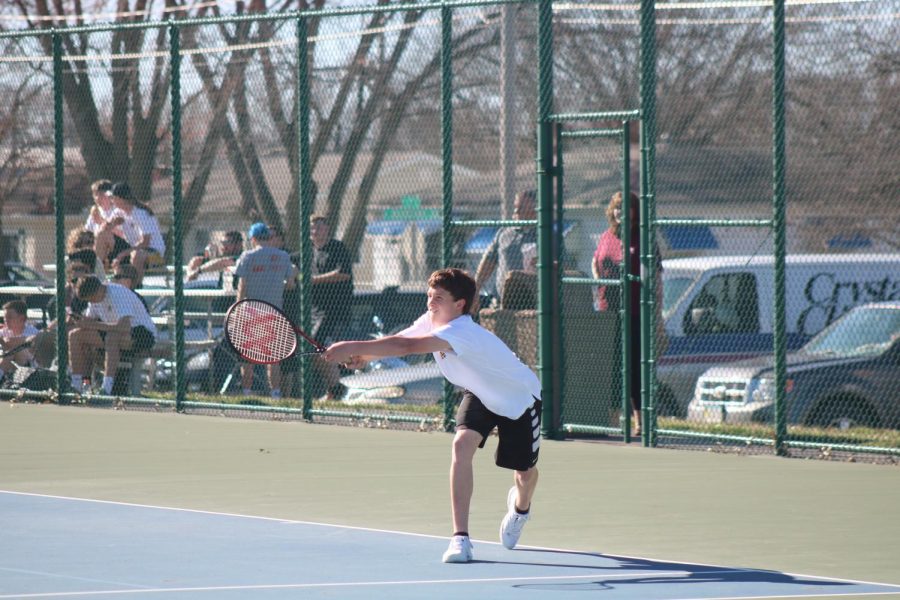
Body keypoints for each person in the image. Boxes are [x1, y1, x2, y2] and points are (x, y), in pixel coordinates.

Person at [323, 268, 541, 564]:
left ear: (460, 305)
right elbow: (401, 338)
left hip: (518, 399)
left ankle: (520, 509)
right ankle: (460, 539)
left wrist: (351, 347)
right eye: (429, 296)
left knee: (524, 475)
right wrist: (366, 357)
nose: (430, 302)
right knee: (461, 445)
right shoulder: (432, 319)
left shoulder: (460, 331)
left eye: (438, 298)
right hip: (479, 392)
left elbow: (407, 347)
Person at [591, 191, 666, 436]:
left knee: (635, 368)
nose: (621, 212)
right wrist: (598, 283)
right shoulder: (605, 237)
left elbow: (656, 278)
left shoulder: (644, 238)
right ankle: (612, 423)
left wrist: (657, 316)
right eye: (617, 208)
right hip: (608, 314)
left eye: (627, 208)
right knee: (611, 369)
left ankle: (640, 423)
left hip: (636, 313)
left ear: (636, 212)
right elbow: (595, 261)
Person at [233, 222, 296, 398]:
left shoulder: (247, 256)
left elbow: (242, 286)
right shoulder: (283, 256)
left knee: (248, 356)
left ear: (253, 239)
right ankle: (275, 393)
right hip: (274, 311)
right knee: (272, 357)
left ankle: (246, 392)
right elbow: (290, 284)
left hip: (251, 310)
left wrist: (237, 309)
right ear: (269, 237)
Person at [67, 275, 157, 395]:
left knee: (112, 336)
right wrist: (81, 323)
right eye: (89, 300)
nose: (92, 302)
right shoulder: (93, 300)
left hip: (142, 334)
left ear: (99, 289)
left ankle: (106, 388)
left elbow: (124, 326)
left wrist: (93, 325)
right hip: (113, 332)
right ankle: (79, 385)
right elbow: (90, 320)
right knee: (75, 335)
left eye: (93, 299)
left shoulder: (117, 294)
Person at [298, 215, 354, 401]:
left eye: (320, 228)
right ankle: (335, 388)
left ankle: (336, 389)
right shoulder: (308, 251)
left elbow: (343, 274)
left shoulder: (338, 248)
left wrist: (313, 280)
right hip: (313, 310)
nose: (316, 232)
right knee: (315, 349)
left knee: (315, 346)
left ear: (327, 229)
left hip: (334, 308)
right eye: (313, 228)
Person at [474, 190, 537, 308]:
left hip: (533, 304)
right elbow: (489, 260)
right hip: (502, 303)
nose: (516, 211)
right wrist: (476, 287)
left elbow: (564, 265)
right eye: (516, 207)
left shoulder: (548, 236)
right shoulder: (505, 233)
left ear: (535, 210)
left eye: (521, 208)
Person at [107, 181, 166, 286]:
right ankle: (98, 276)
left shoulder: (141, 213)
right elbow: (103, 230)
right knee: (103, 235)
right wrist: (111, 225)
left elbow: (145, 242)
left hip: (154, 254)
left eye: (113, 198)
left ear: (120, 199)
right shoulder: (118, 212)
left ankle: (135, 288)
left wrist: (123, 254)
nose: (111, 201)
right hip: (131, 249)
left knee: (137, 254)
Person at [86, 179, 131, 270]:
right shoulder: (96, 212)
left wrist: (101, 221)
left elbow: (123, 235)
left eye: (101, 195)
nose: (98, 198)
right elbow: (88, 233)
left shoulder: (117, 210)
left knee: (102, 234)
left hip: (119, 249)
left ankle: (96, 271)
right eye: (95, 194)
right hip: (99, 249)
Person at [0, 300, 41, 383]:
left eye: (10, 317)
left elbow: (11, 343)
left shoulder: (33, 332)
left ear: (21, 318)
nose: (6, 320)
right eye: (4, 317)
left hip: (29, 369)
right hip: (8, 367)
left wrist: (5, 342)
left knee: (14, 350)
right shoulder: (3, 332)